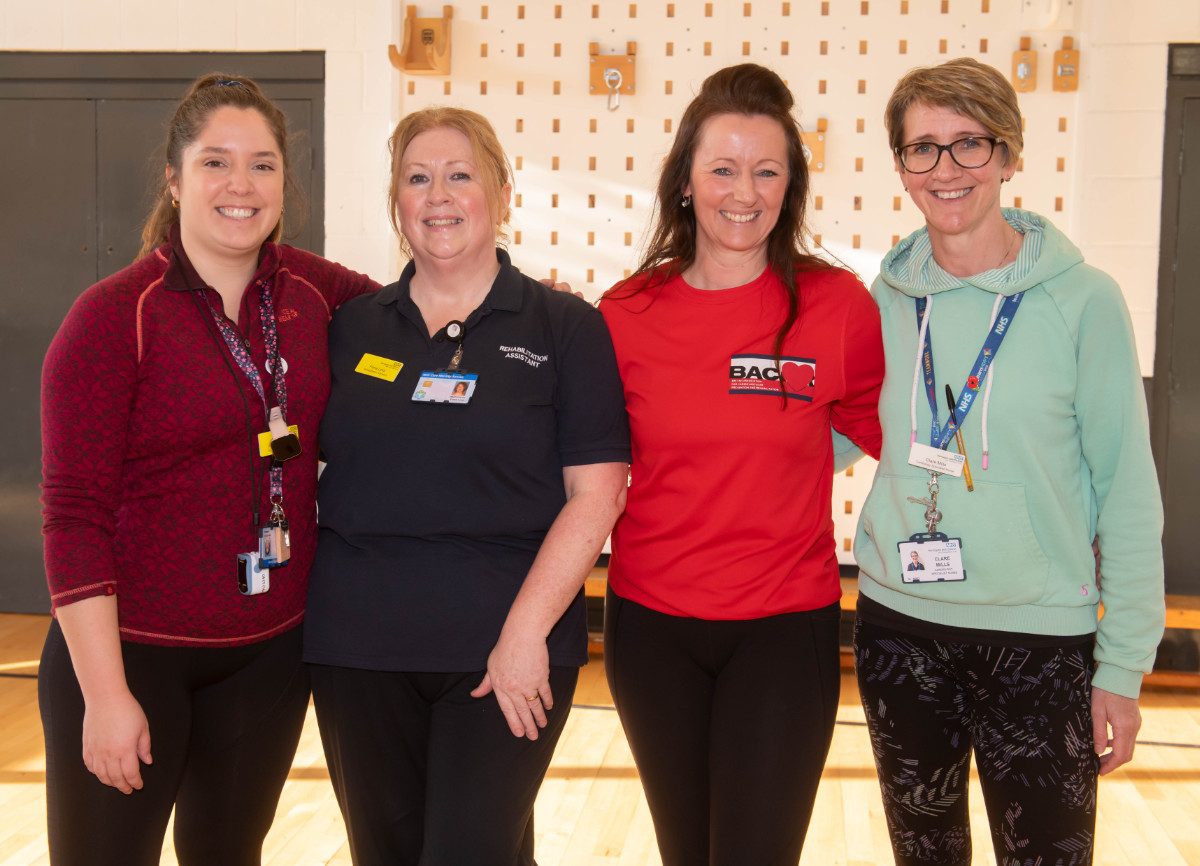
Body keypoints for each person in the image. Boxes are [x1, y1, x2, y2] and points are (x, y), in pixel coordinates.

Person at [37, 73, 378, 865]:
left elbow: (419, 315)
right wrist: (105, 696)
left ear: (283, 181)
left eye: (262, 164)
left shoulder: (317, 292)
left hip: (267, 657)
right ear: (174, 176)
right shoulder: (113, 316)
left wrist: (529, 317)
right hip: (131, 655)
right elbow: (72, 515)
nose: (241, 185)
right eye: (216, 162)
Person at [853, 57, 1165, 864]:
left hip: (1042, 643)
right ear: (900, 166)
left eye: (969, 144)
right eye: (923, 148)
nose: (946, 169)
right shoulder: (882, 302)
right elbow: (827, 436)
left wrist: (1124, 666)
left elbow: (1127, 491)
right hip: (900, 632)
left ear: (1010, 153)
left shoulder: (1082, 300)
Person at [302, 106, 630, 866]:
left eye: (460, 175)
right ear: (396, 201)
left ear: (503, 193)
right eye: (417, 179)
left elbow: (598, 493)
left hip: (506, 652)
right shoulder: (351, 327)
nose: (438, 195)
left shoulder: (564, 326)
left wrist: (523, 639)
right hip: (358, 651)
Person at [598, 64, 884, 865]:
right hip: (651, 628)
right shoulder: (624, 314)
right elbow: (583, 464)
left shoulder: (837, 306)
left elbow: (883, 430)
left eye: (766, 171)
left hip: (783, 631)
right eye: (722, 169)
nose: (743, 191)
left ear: (789, 186)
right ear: (686, 181)